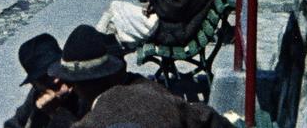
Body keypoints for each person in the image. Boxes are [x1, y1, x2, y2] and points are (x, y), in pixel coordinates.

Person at [53, 24, 233, 128]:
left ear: (77, 86)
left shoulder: (91, 122)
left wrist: (51, 113)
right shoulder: (153, 91)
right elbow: (206, 117)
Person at [4, 33, 77, 128]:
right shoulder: (38, 94)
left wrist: (55, 112)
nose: (55, 80)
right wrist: (36, 114)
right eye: (45, 77)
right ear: (34, 84)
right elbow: (14, 124)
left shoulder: (83, 87)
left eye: (54, 70)